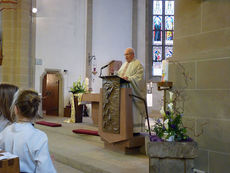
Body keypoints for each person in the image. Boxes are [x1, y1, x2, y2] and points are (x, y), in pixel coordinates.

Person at [0, 89, 56, 173]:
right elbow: (44, 170)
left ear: (15, 109)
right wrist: (49, 163)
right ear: (36, 111)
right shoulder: (39, 136)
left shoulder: (6, 131)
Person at [117, 48, 146, 134]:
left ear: (132, 54)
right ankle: (124, 128)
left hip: (133, 93)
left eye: (127, 54)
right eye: (125, 55)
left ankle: (135, 130)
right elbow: (119, 75)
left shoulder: (138, 64)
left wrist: (129, 79)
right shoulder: (123, 65)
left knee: (134, 112)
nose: (125, 57)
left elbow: (139, 78)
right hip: (123, 93)